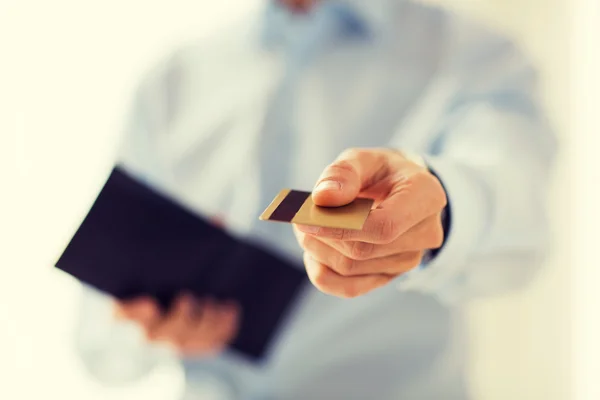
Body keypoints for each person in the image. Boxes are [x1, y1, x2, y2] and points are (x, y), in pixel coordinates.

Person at [74, 0, 556, 399]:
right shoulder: (169, 85)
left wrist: (442, 208)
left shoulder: (474, 56)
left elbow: (517, 212)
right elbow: (97, 341)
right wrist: (150, 332)